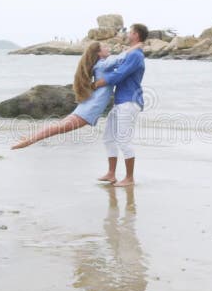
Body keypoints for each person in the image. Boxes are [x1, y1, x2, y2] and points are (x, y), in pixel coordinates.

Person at [10, 40, 141, 150]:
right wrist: (134, 47)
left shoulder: (99, 65)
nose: (108, 48)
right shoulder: (101, 65)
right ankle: (28, 141)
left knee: (59, 126)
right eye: (105, 47)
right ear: (99, 53)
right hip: (90, 108)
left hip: (88, 105)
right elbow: (118, 60)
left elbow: (119, 64)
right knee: (59, 128)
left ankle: (29, 138)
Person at [93, 24, 147, 187]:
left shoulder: (136, 55)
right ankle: (111, 174)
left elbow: (119, 74)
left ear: (136, 35)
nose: (128, 34)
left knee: (124, 140)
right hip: (120, 102)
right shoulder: (131, 53)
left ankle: (129, 178)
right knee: (108, 137)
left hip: (130, 101)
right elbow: (116, 66)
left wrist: (97, 84)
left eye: (130, 32)